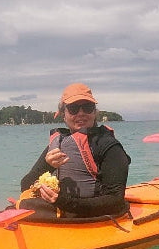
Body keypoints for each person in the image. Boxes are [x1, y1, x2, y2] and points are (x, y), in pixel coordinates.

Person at [20, 83, 131, 218]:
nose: (81, 113)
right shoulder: (58, 144)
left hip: (92, 218)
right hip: (59, 213)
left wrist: (63, 202)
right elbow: (25, 186)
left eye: (88, 108)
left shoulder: (109, 146)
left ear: (95, 113)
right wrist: (47, 165)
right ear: (63, 115)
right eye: (73, 109)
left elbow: (115, 201)